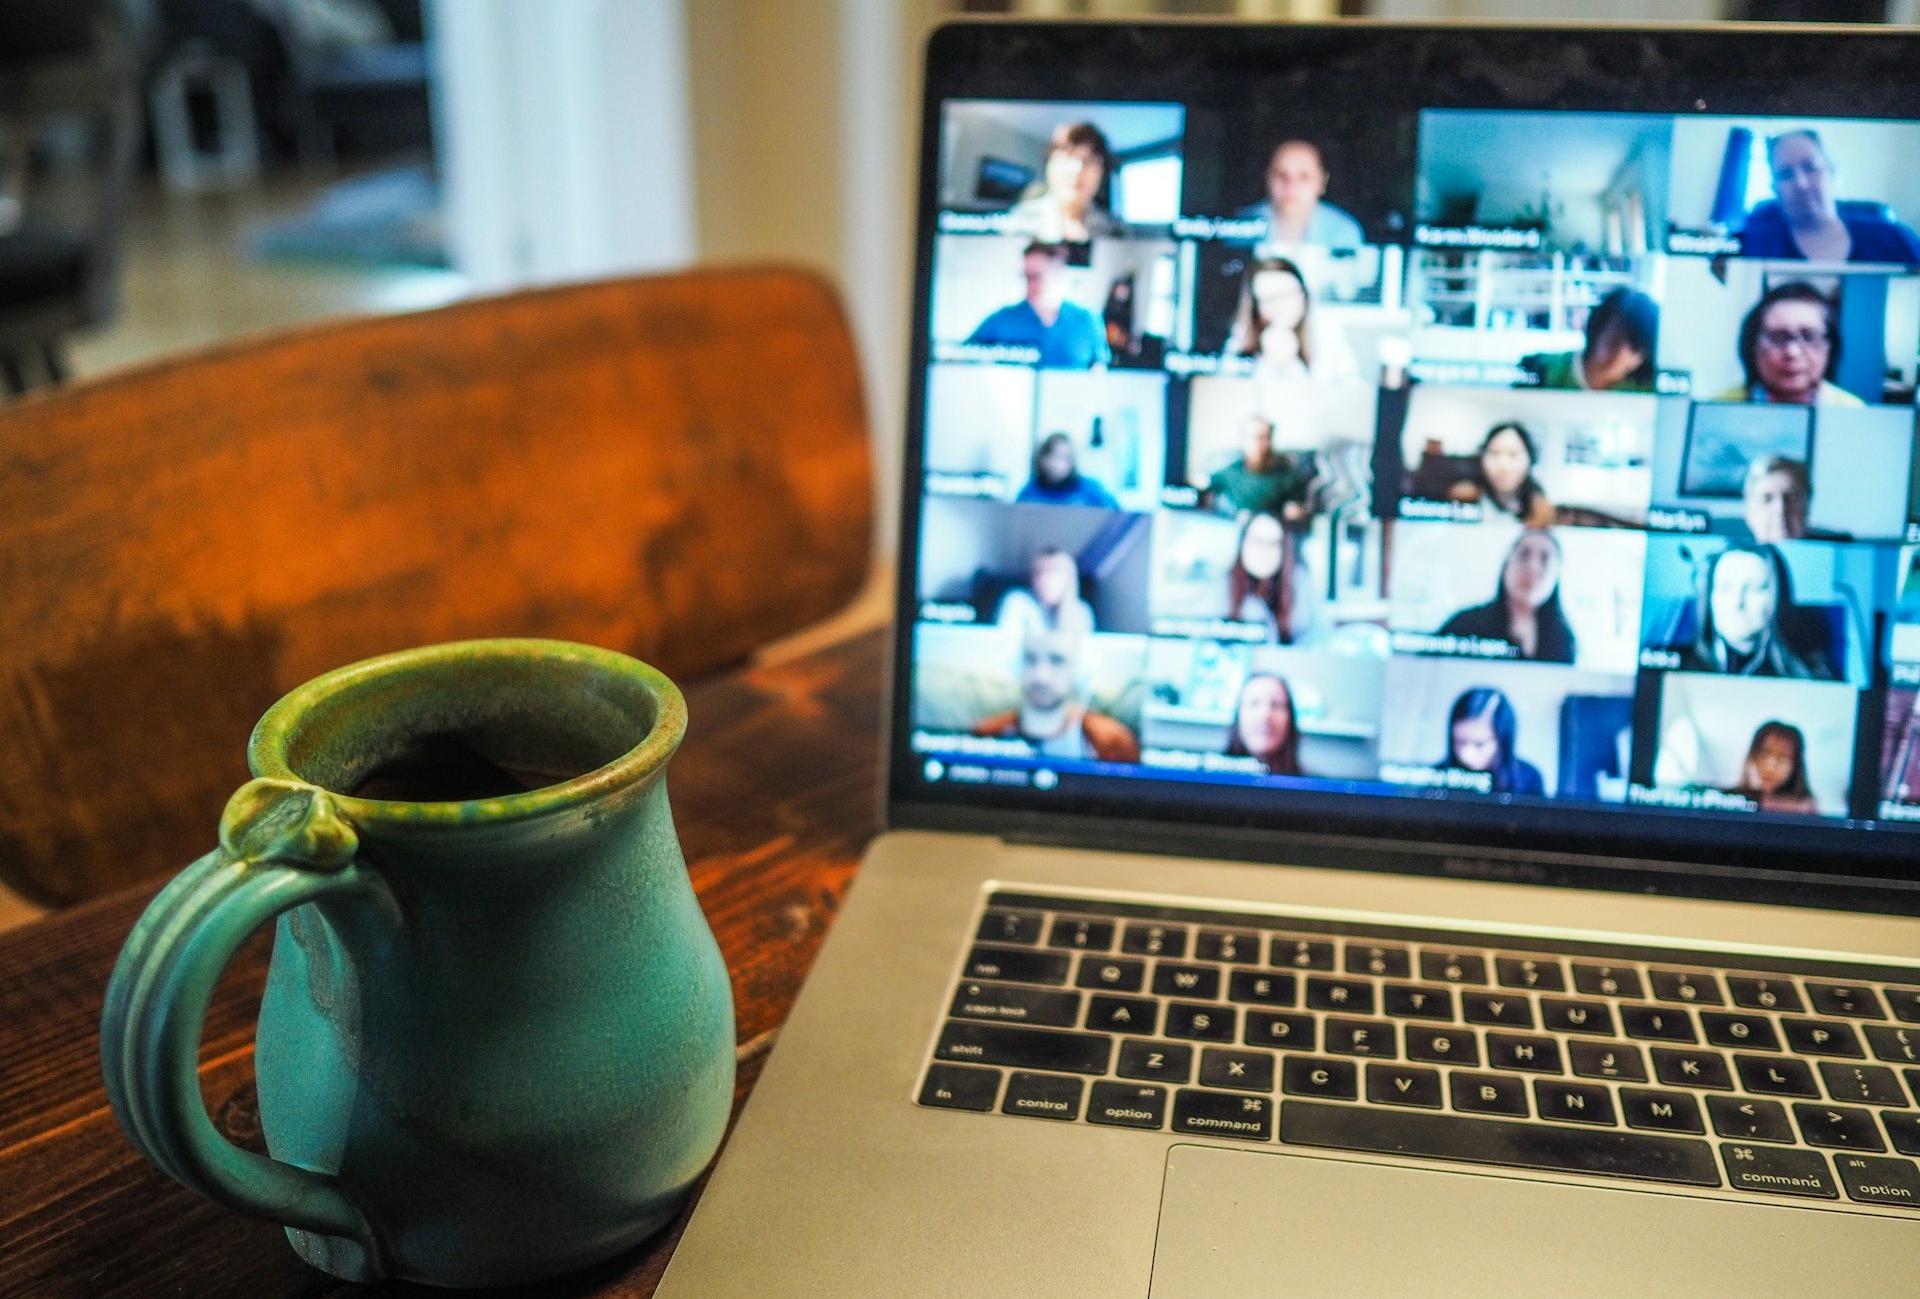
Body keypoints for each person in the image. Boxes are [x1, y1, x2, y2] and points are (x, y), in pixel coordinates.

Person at [1737, 129, 1920, 266]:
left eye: (1810, 167)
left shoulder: (1894, 238)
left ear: (1831, 173)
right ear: (1774, 189)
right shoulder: (1751, 247)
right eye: (1785, 174)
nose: (1801, 183)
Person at [970, 626, 1140, 762]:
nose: (1041, 676)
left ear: (1080, 670)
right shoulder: (987, 734)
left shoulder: (1113, 742)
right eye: (1030, 659)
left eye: (1057, 660)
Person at [1671, 544, 1835, 679]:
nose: (1737, 603)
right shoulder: (1674, 662)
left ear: (1778, 597)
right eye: (1725, 588)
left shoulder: (1811, 673)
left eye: (1755, 589)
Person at [1437, 528, 1577, 664]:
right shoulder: (1463, 625)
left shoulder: (1563, 640)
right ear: (1506, 564)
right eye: (1523, 556)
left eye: (1545, 560)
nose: (1532, 568)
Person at [966, 241, 1111, 369]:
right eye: (1026, 277)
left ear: (1058, 273)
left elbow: (1098, 371)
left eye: (1036, 276)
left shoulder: (1087, 320)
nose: (1030, 284)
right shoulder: (1001, 320)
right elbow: (964, 359)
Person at [1715, 282, 1863, 407]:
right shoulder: (1720, 407)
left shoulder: (1852, 411)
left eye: (1809, 337)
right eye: (1777, 337)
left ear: (1830, 347)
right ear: (1752, 345)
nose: (1792, 352)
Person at [1225, 256, 1358, 387]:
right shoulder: (1242, 335)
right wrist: (1269, 363)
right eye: (1269, 299)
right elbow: (1230, 388)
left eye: (1287, 294)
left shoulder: (1327, 331)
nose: (1280, 306)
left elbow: (1353, 389)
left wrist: (1290, 364)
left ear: (1303, 294)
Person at [1519, 288, 1660, 393]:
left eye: (1634, 349)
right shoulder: (1543, 371)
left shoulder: (1645, 390)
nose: (1620, 354)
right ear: (1596, 330)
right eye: (1614, 341)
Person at [1006, 121, 1124, 244]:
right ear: (1049, 165)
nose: (1077, 169)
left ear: (1103, 172)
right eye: (1068, 157)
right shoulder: (1015, 223)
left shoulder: (1118, 232)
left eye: (1088, 160)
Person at [1234, 139, 1364, 249]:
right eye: (1281, 175)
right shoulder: (1239, 226)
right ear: (1268, 178)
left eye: (1304, 177)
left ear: (1322, 182)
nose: (1291, 186)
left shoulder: (1343, 231)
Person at [1201, 414, 1313, 519]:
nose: (1260, 444)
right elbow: (1202, 482)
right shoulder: (1230, 472)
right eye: (1255, 437)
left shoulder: (1288, 477)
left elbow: (1299, 505)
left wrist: (1295, 511)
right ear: (1243, 440)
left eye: (1266, 437)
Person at [1439, 687, 1545, 796]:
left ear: (1502, 741)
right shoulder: (1437, 776)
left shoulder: (1528, 778)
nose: (1466, 755)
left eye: (1479, 744)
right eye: (1459, 742)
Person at [1445, 423, 1555, 527]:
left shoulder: (1539, 506)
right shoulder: (1464, 495)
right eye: (1494, 453)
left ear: (1530, 459)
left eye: (1513, 454)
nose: (1503, 465)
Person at [1226, 511, 1311, 644]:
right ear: (1243, 544)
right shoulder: (1219, 590)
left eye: (1274, 544)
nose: (1264, 551)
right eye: (1258, 541)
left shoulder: (1300, 589)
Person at [995, 546, 1096, 640]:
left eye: (1053, 571)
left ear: (1069, 578)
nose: (1044, 579)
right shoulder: (1018, 602)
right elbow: (1007, 644)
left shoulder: (1082, 611)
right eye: (1038, 572)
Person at [1728, 720, 1819, 814]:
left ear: (1795, 766)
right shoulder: (1728, 801)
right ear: (1752, 755)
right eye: (1764, 754)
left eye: (1783, 757)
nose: (1770, 767)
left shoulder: (1805, 809)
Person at [1225, 672, 1303, 776]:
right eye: (1254, 703)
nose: (1265, 715)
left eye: (1276, 704)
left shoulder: (1313, 783)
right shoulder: (1208, 775)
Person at [1015, 433, 1119, 509]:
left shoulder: (1092, 489)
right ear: (1042, 459)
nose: (1056, 464)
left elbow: (1118, 515)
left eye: (1063, 457)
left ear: (1072, 461)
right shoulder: (1029, 492)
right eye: (1052, 456)